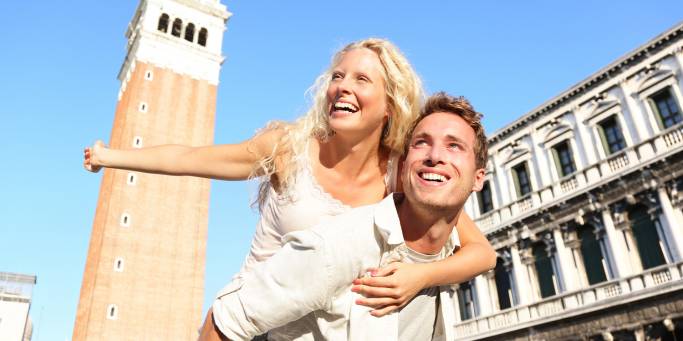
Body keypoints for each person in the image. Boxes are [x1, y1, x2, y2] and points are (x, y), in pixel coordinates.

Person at [83, 39, 495, 333]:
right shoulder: (289, 148)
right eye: (338, 75)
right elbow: (190, 158)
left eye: (361, 79)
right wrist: (111, 156)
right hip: (250, 325)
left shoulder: (400, 173)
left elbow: (481, 254)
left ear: (389, 105)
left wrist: (421, 278)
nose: (342, 87)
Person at [200, 92, 490, 341]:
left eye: (454, 146)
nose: (435, 155)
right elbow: (224, 322)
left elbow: (486, 255)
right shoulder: (337, 246)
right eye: (421, 143)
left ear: (478, 179)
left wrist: (425, 275)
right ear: (402, 167)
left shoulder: (449, 250)